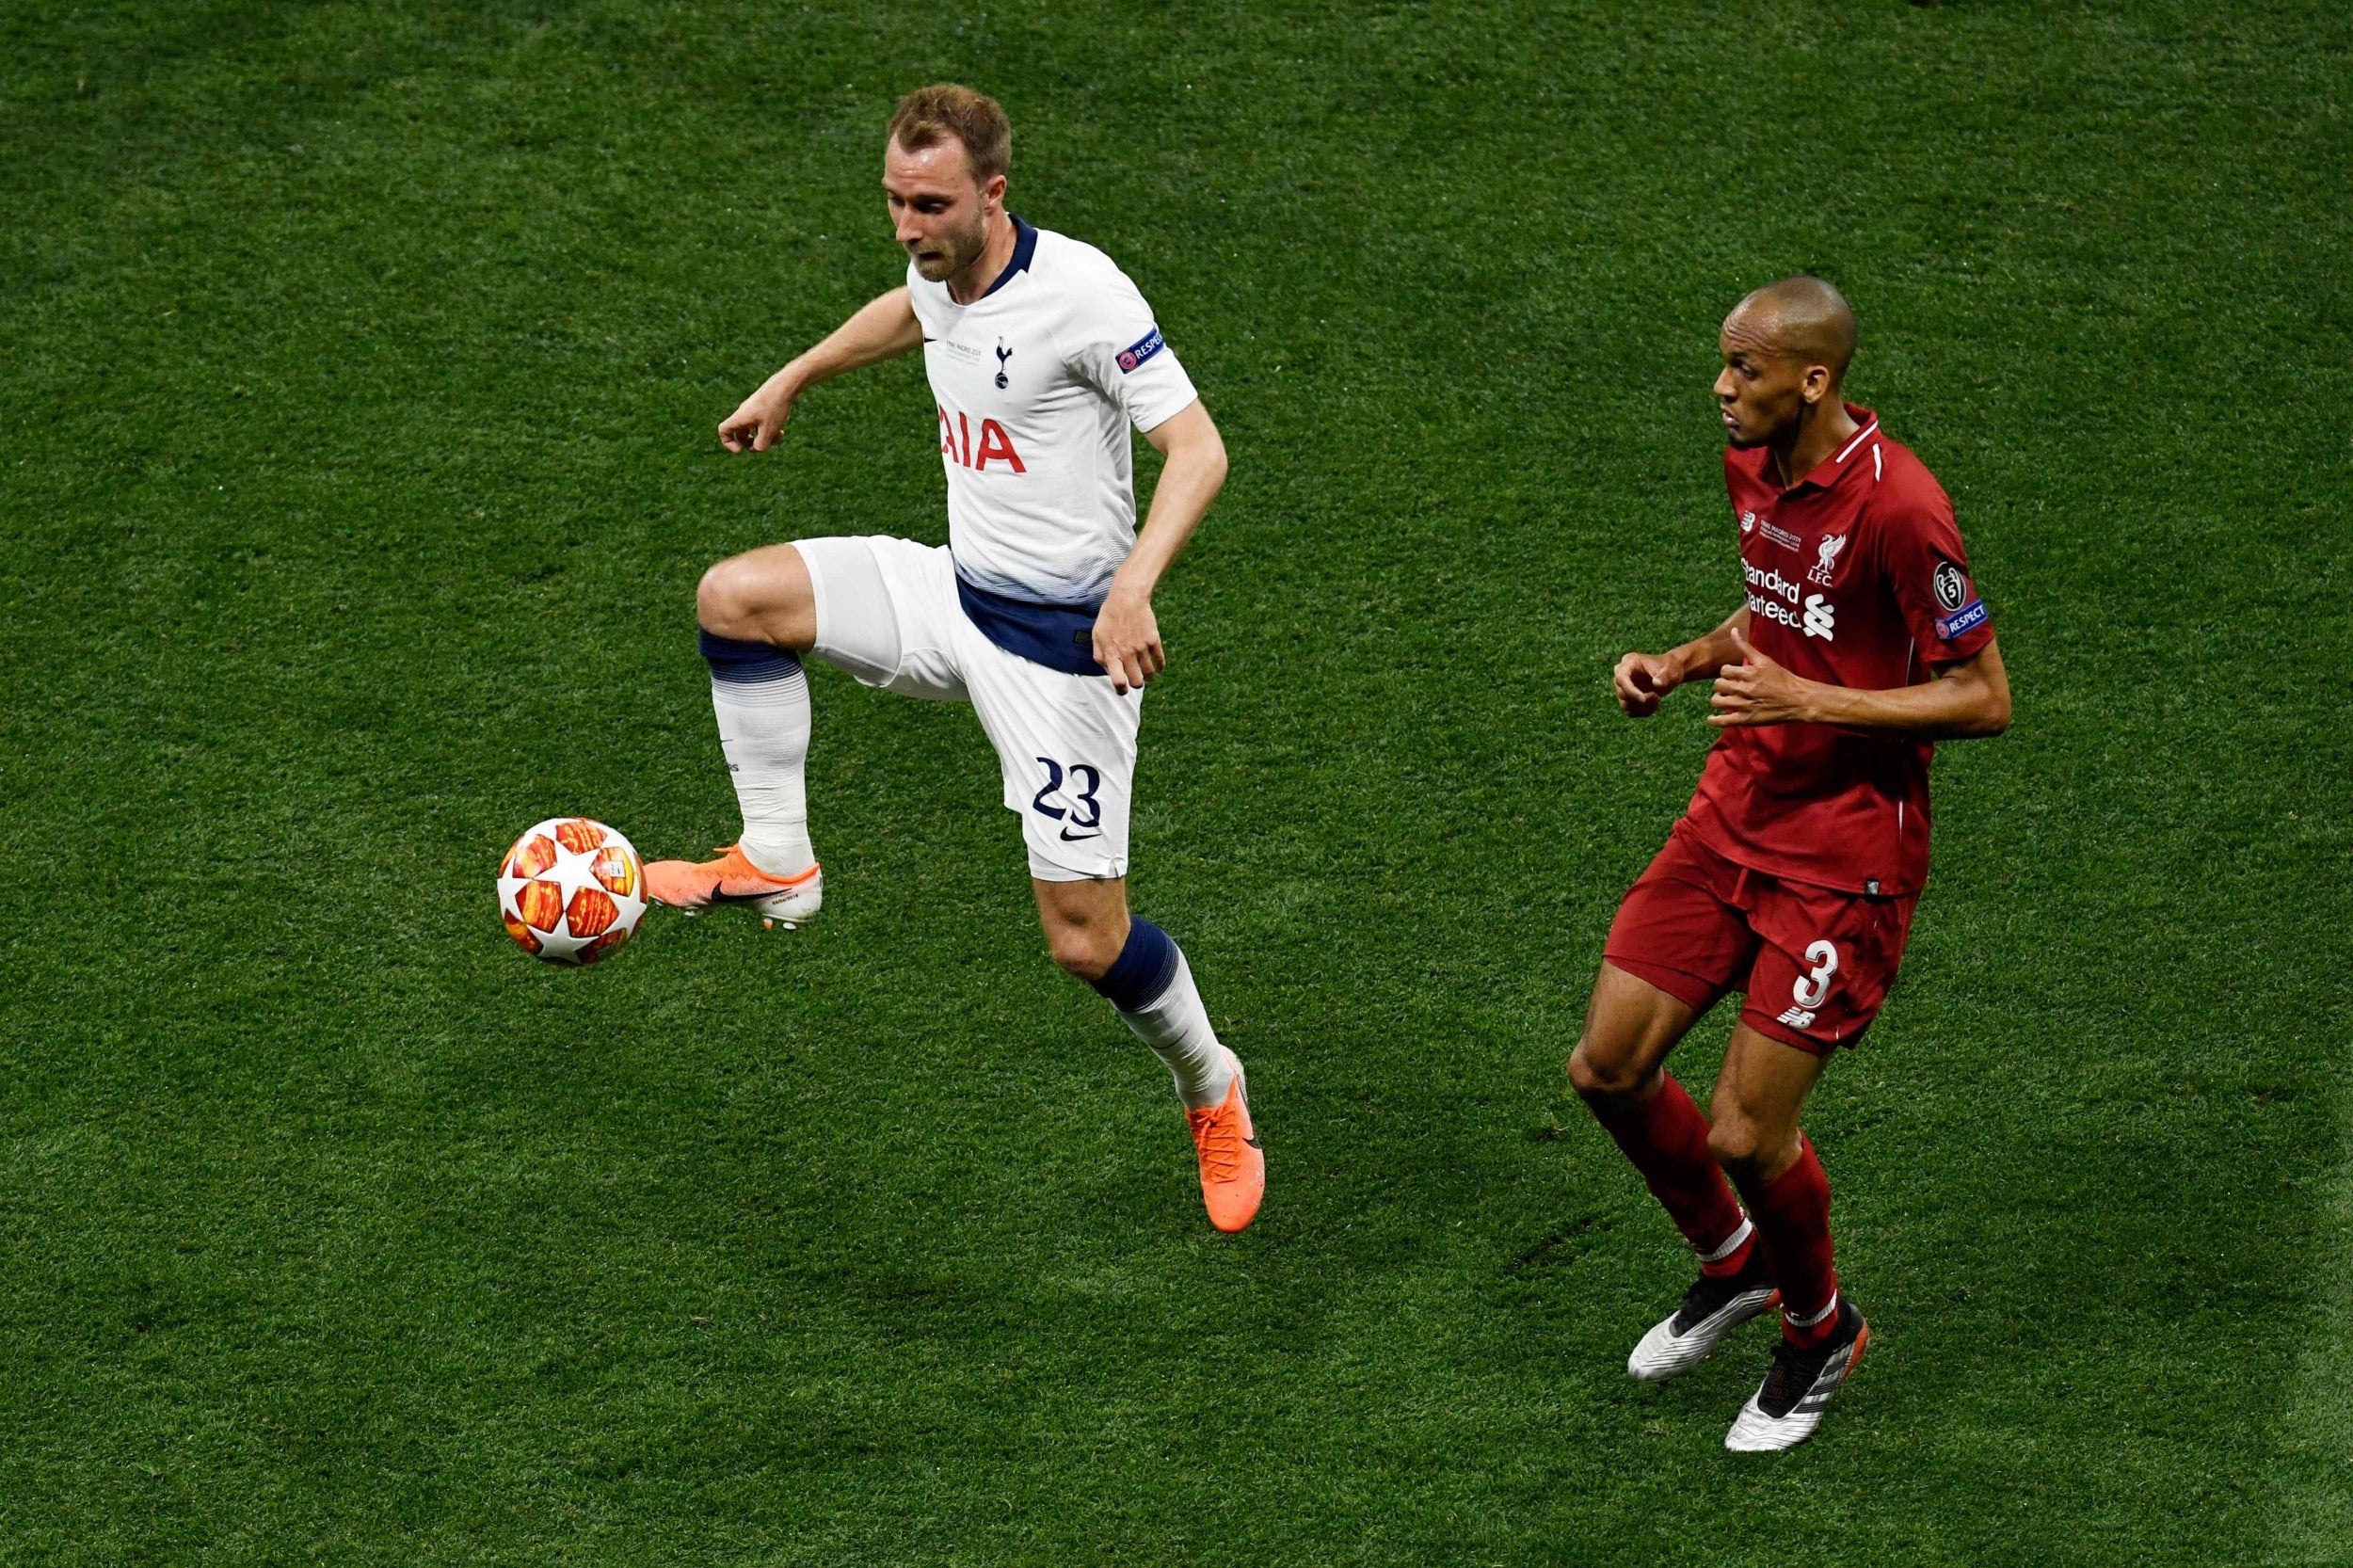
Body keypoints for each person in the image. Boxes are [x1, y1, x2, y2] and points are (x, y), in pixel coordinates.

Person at [648, 84, 1261, 1233]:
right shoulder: (941, 272)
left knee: (1085, 943)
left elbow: (1198, 448)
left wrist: (1133, 587)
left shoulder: (1082, 294)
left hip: (1063, 658)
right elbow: (913, 311)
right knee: (735, 598)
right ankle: (780, 857)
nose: (905, 228)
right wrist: (795, 377)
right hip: (953, 595)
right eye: (891, 200)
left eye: (928, 205)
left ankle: (1210, 1084)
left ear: (993, 192)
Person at [1572, 277, 2010, 1449]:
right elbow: (1776, 610)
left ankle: (1820, 1329)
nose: (1722, 389)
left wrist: (1807, 697)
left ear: (1813, 379)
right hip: (1731, 814)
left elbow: (1984, 696)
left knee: (1742, 1133)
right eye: (1723, 366)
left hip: (1843, 856)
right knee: (1606, 1066)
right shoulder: (1754, 465)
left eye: (1746, 371)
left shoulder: (1903, 507)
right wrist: (1680, 658)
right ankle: (1734, 1263)